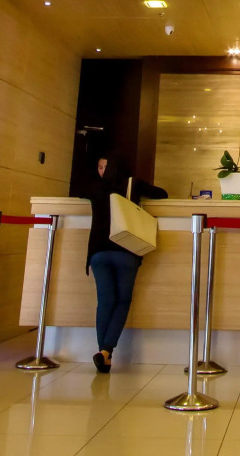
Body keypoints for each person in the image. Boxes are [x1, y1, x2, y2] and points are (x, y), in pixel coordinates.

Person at [85, 154, 167, 373]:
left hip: (99, 253)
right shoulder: (133, 184)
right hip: (126, 251)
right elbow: (163, 194)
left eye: (104, 167)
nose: (102, 171)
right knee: (122, 301)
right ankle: (105, 351)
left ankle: (105, 356)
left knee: (104, 302)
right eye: (99, 167)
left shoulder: (94, 187)